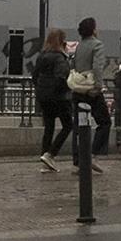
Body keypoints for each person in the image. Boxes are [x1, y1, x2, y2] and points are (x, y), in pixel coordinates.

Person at [30, 28, 74, 172]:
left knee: (49, 127)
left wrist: (42, 89)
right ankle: (51, 154)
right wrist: (65, 91)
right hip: (59, 97)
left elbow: (34, 76)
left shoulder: (42, 56)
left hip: (43, 96)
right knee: (68, 125)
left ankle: (45, 158)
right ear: (62, 41)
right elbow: (62, 78)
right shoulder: (60, 58)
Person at [71, 17, 111, 173]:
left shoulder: (79, 46)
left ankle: (78, 159)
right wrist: (98, 86)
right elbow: (98, 66)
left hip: (78, 89)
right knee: (104, 122)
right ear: (93, 30)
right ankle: (93, 154)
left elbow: (73, 65)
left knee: (79, 126)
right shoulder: (97, 45)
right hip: (91, 89)